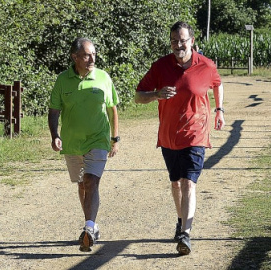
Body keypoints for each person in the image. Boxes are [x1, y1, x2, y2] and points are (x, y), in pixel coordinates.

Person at [134, 21, 224, 255]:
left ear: (192, 41)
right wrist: (156, 94)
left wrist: (219, 110)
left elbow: (217, 83)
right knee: (175, 183)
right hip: (168, 136)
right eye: (174, 41)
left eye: (182, 40)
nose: (178, 45)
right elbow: (138, 96)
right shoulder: (160, 66)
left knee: (188, 182)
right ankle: (181, 220)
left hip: (196, 134)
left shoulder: (205, 65)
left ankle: (186, 233)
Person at [48, 37, 120, 252]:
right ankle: (91, 225)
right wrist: (55, 134)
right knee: (81, 184)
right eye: (87, 55)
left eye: (94, 54)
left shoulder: (103, 78)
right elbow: (54, 111)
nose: (92, 59)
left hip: (98, 140)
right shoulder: (62, 80)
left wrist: (115, 139)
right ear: (75, 57)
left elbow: (112, 108)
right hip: (72, 143)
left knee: (91, 181)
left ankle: (88, 227)